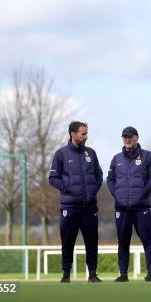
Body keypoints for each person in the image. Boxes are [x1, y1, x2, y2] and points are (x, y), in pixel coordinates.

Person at [49, 121, 103, 283]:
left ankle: (92, 274)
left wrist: (93, 189)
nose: (86, 136)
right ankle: (66, 275)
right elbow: (53, 178)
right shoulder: (61, 154)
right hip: (70, 207)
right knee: (67, 242)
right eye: (83, 133)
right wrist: (67, 188)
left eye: (86, 133)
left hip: (89, 207)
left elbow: (99, 175)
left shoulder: (91, 153)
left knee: (92, 242)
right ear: (73, 134)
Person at [107, 126, 151, 282]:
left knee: (148, 241)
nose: (127, 139)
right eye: (124, 137)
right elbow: (110, 179)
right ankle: (123, 274)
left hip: (141, 208)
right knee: (123, 242)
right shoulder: (116, 159)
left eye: (130, 136)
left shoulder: (148, 157)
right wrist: (116, 194)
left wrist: (144, 192)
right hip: (122, 208)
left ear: (137, 137)